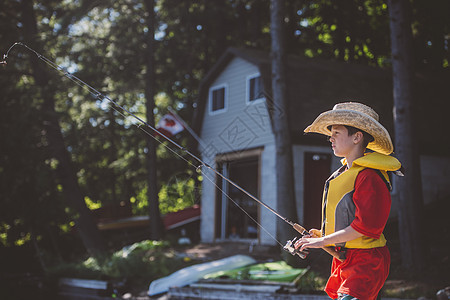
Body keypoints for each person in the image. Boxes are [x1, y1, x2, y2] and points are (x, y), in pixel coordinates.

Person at [295, 102, 402, 300]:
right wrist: (317, 237)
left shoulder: (369, 177)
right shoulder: (343, 174)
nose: (330, 138)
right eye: (330, 133)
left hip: (366, 262)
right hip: (344, 261)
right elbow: (345, 220)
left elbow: (365, 228)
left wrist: (322, 241)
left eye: (336, 132)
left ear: (357, 137)